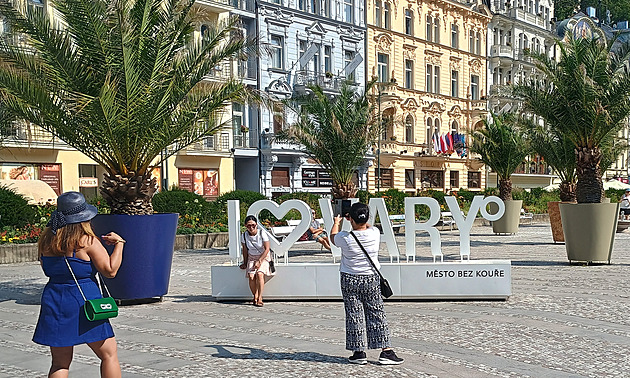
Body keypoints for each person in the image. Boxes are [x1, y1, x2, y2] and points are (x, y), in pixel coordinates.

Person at [33, 191, 125, 378]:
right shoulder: (87, 241)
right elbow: (110, 270)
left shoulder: (46, 241)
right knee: (108, 354)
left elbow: (47, 269)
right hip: (84, 300)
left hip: (55, 300)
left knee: (59, 363)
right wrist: (120, 243)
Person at [330, 202, 404, 365]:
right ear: (367, 217)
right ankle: (386, 351)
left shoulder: (345, 238)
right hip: (371, 278)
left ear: (350, 218)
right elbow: (367, 225)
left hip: (350, 278)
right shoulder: (375, 233)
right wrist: (358, 219)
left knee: (354, 315)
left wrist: (337, 222)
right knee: (376, 312)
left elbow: (332, 237)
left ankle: (358, 353)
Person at [239, 215, 274, 307]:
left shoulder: (262, 233)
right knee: (251, 276)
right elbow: (245, 250)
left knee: (259, 273)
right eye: (248, 226)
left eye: (253, 225)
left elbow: (267, 249)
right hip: (252, 257)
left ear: (256, 225)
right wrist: (245, 262)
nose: (251, 228)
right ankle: (255, 296)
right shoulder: (244, 236)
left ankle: (260, 297)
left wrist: (260, 261)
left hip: (264, 256)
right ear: (245, 226)